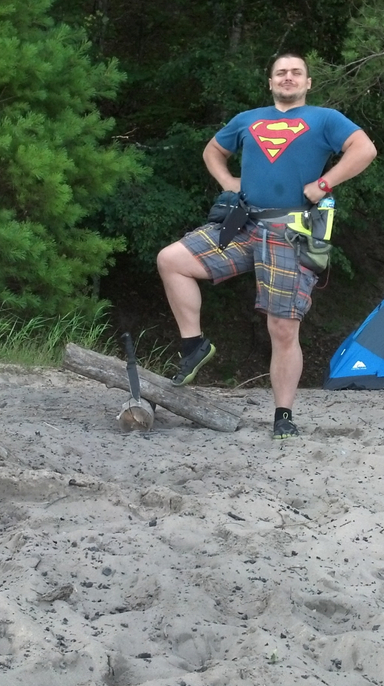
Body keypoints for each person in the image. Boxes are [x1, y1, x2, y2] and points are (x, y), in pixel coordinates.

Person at [156, 52, 377, 439]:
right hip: (242, 223)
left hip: (291, 229)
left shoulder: (324, 119)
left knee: (282, 327)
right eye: (281, 73)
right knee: (172, 260)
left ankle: (283, 415)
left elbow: (365, 149)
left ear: (308, 83)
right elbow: (212, 151)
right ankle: (194, 345)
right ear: (270, 82)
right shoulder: (247, 119)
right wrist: (228, 181)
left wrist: (324, 184)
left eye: (296, 73)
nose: (288, 78)